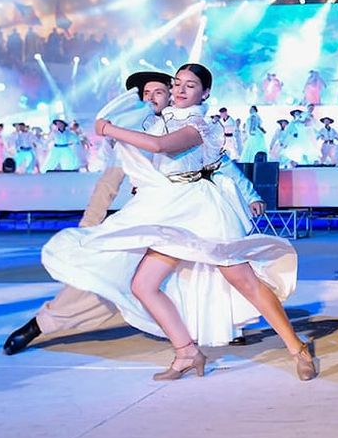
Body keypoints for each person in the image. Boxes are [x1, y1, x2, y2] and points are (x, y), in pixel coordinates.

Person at [40, 64, 317, 381]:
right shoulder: (159, 120)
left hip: (202, 210)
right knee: (143, 285)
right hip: (171, 210)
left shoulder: (201, 125)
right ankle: (187, 353)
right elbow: (146, 147)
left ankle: (298, 349)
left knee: (244, 281)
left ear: (205, 93)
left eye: (190, 85)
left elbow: (161, 146)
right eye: (177, 84)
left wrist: (109, 129)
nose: (181, 89)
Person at [4, 72, 266, 355]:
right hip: (149, 217)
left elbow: (219, 164)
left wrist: (251, 194)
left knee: (209, 269)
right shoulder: (134, 133)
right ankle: (42, 323)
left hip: (189, 213)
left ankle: (222, 327)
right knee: (107, 274)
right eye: (145, 93)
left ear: (171, 93)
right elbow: (108, 184)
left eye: (158, 91)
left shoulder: (186, 125)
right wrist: (89, 227)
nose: (151, 98)